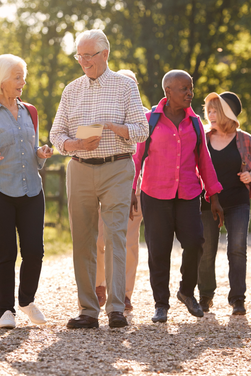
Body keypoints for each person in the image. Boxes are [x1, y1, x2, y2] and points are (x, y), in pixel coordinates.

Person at [50, 30, 148, 329]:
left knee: (116, 235)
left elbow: (142, 130)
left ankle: (116, 308)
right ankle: (88, 311)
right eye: (79, 55)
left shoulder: (124, 87)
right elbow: (56, 135)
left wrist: (114, 127)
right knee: (82, 239)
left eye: (88, 55)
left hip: (117, 167)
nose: (83, 61)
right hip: (80, 167)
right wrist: (75, 145)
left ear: (105, 54)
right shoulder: (71, 90)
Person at [132, 70, 224, 323]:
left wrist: (213, 195)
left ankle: (186, 291)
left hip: (187, 193)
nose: (189, 93)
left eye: (191, 88)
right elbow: (137, 158)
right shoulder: (149, 120)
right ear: (168, 91)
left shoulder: (194, 122)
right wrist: (131, 190)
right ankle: (161, 303)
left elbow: (204, 160)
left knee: (195, 242)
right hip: (155, 193)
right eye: (183, 88)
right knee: (158, 250)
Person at [0, 54, 53, 329]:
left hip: (31, 190)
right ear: (2, 80)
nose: (23, 81)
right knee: (5, 253)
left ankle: (26, 300)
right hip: (0, 191)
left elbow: (32, 149)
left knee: (34, 251)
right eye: (17, 76)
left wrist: (40, 153)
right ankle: (6, 311)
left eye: (22, 76)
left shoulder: (30, 110)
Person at [198, 91, 251, 316]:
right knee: (206, 250)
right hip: (207, 201)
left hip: (237, 201)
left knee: (237, 249)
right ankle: (205, 297)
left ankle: (238, 299)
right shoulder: (203, 137)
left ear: (227, 114)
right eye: (209, 110)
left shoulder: (245, 139)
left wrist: (250, 176)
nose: (210, 115)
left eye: (216, 110)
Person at [95, 69, 146, 312]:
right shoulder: (103, 113)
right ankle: (99, 284)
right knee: (100, 238)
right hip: (104, 186)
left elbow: (148, 159)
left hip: (135, 191)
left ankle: (124, 293)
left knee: (129, 243)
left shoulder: (145, 119)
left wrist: (138, 189)